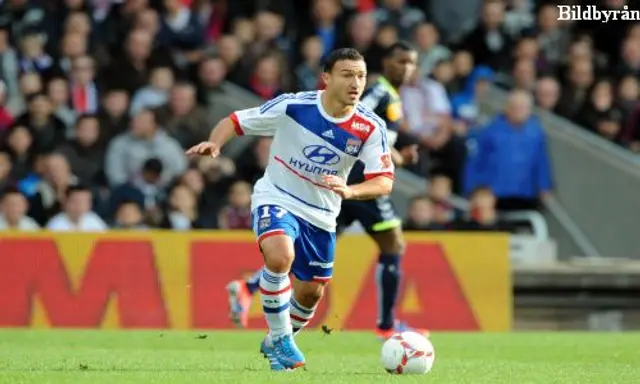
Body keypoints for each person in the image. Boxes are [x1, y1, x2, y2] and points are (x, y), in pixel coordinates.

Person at [186, 48, 394, 371]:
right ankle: (282, 338)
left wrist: (351, 190)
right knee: (280, 256)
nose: (356, 83)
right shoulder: (295, 105)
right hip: (277, 195)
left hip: (322, 213)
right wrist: (216, 142)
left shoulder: (369, 126)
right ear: (326, 78)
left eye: (361, 76)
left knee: (311, 292)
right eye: (347, 74)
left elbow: (383, 182)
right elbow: (236, 121)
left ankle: (275, 342)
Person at [225, 42, 428, 341]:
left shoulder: (393, 96)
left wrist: (397, 156)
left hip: (338, 186)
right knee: (393, 244)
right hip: (351, 180)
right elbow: (352, 122)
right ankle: (385, 325)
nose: (406, 68)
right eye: (401, 61)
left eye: (411, 63)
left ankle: (249, 288)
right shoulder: (379, 91)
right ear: (386, 63)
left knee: (309, 254)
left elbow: (373, 138)